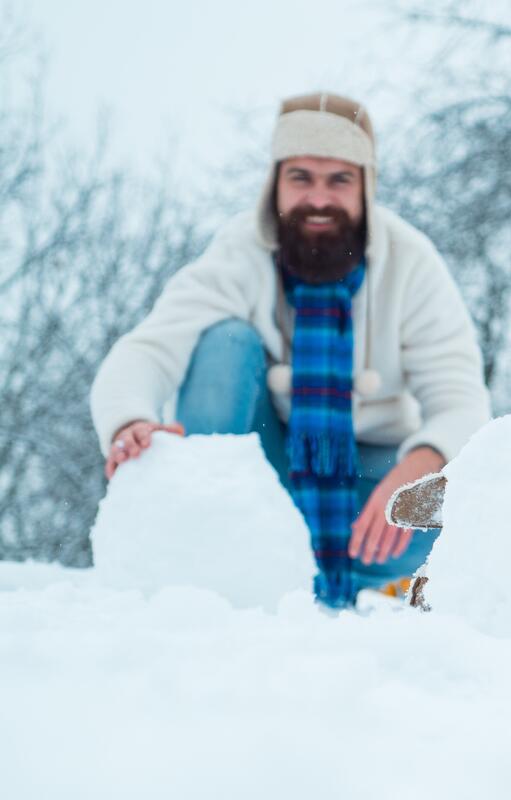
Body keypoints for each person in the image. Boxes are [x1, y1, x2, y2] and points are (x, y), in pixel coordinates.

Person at [91, 92, 490, 607]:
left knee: (465, 501)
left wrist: (424, 459)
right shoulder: (240, 252)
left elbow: (459, 395)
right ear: (275, 183)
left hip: (374, 482)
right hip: (265, 467)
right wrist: (129, 423)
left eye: (339, 179)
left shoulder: (409, 260)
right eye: (301, 177)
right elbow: (147, 350)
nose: (318, 198)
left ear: (365, 187)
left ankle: (345, 573)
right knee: (221, 342)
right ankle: (220, 548)